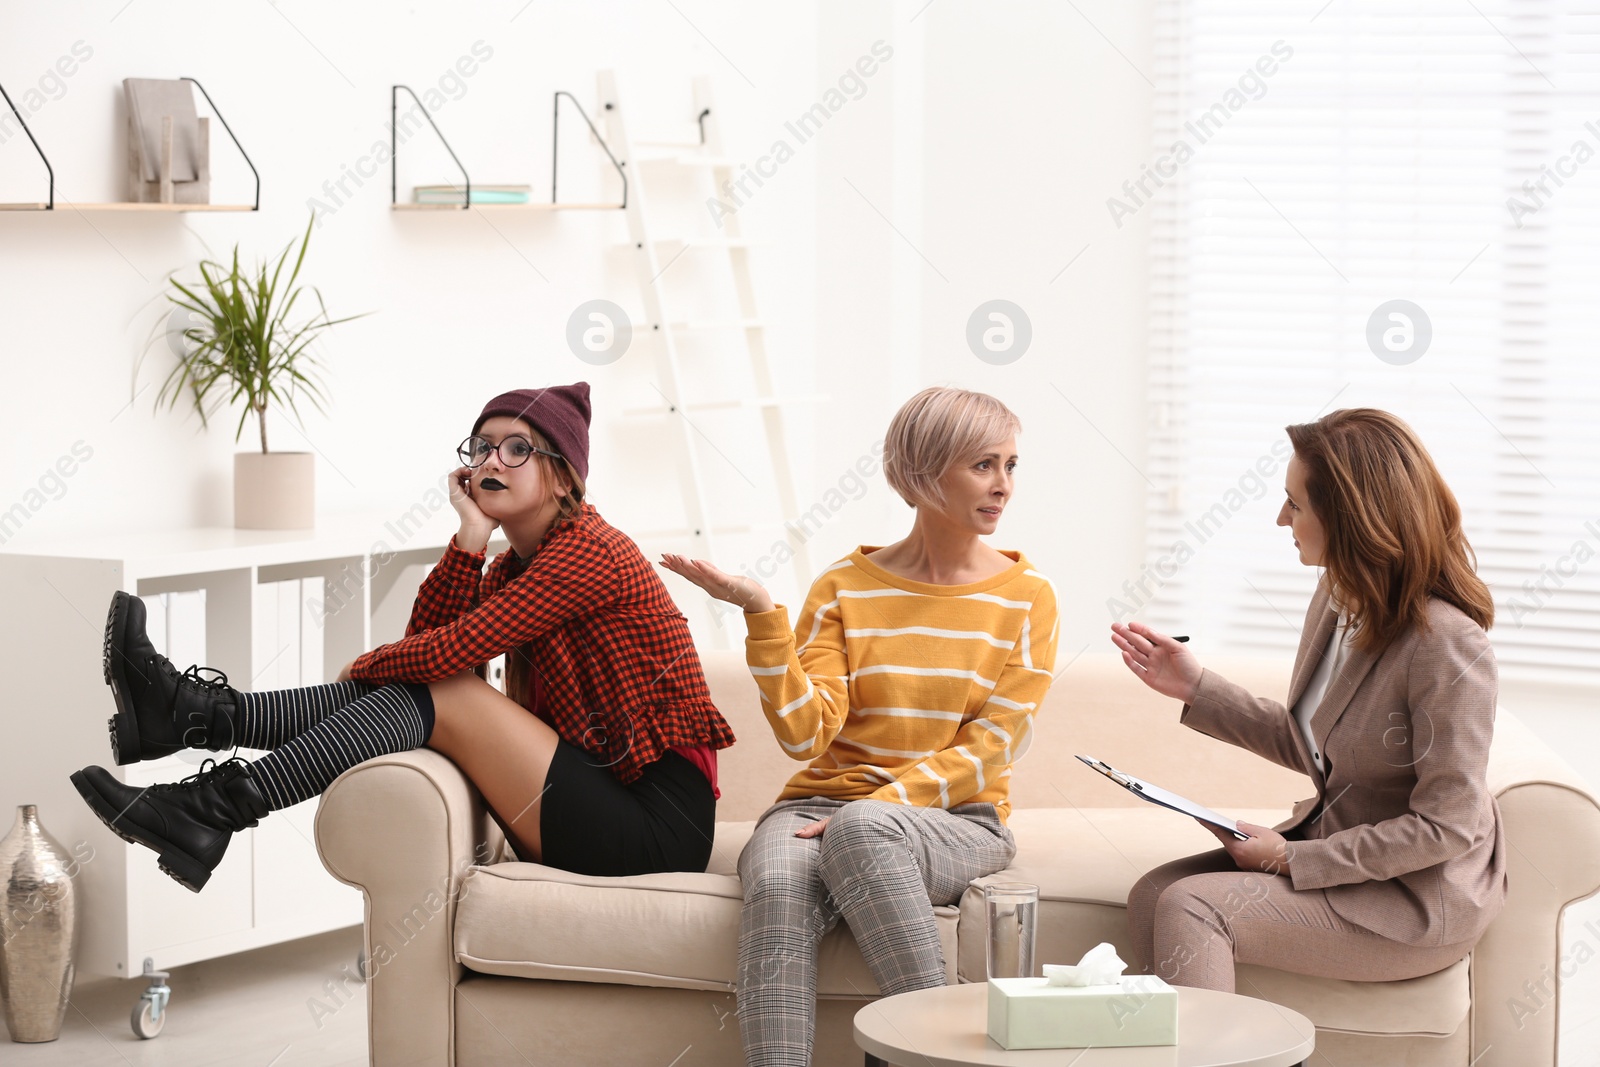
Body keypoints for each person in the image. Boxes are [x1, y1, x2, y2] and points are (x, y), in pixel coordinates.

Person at [71, 382, 736, 892]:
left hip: (654, 829)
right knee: (434, 686)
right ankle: (199, 750)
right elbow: (425, 659)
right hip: (588, 801)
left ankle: (203, 761)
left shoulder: (590, 552)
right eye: (479, 447)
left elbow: (436, 660)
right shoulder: (512, 566)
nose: (489, 460)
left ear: (562, 475)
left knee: (442, 683)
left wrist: (366, 664)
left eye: (516, 447)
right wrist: (470, 540)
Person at [660, 386, 1059, 1067]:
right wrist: (762, 614)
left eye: (1011, 465)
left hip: (958, 818)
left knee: (861, 828)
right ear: (925, 471)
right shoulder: (845, 585)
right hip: (819, 804)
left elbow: (995, 742)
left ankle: (938, 1056)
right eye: (984, 465)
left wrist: (872, 810)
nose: (1004, 487)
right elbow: (804, 734)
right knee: (782, 883)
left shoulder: (1026, 598)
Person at [1110, 408, 1505, 992]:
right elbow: (1315, 744)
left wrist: (1289, 860)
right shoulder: (1338, 596)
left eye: (1295, 503)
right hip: (1349, 855)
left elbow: (1446, 828)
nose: (1280, 518)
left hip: (1416, 897)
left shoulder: (1446, 645)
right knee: (1153, 895)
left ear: (1349, 518)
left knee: (1192, 906)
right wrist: (1196, 687)